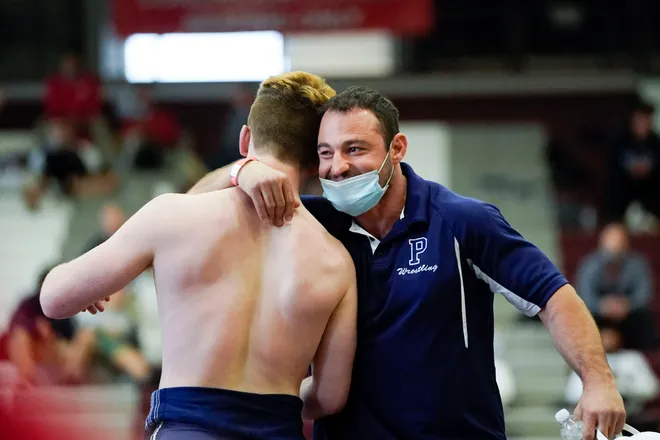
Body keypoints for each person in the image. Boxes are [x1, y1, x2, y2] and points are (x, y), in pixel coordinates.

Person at [191, 86, 627, 440]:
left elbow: (552, 295)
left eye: (355, 149)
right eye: (325, 154)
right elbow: (187, 215)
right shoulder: (310, 221)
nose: (338, 167)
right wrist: (242, 172)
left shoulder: (461, 220)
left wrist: (598, 381)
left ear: (396, 148)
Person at [39, 71, 358, 440]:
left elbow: (54, 298)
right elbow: (330, 396)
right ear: (314, 159)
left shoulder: (173, 216)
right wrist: (269, 401)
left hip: (187, 428)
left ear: (245, 139)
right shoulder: (337, 261)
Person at [576, 223, 656, 350]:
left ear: (626, 246)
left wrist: (626, 306)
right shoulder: (589, 265)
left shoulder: (638, 265)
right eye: (609, 249)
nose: (613, 255)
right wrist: (602, 306)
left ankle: (644, 354)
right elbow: (584, 295)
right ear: (601, 245)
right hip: (599, 315)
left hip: (628, 316)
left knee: (644, 317)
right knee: (581, 314)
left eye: (618, 248)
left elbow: (644, 296)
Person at [605, 100, 660, 225]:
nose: (643, 123)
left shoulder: (656, 143)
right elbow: (613, 173)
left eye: (646, 120)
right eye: (640, 119)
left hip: (651, 201)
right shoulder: (620, 142)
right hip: (623, 199)